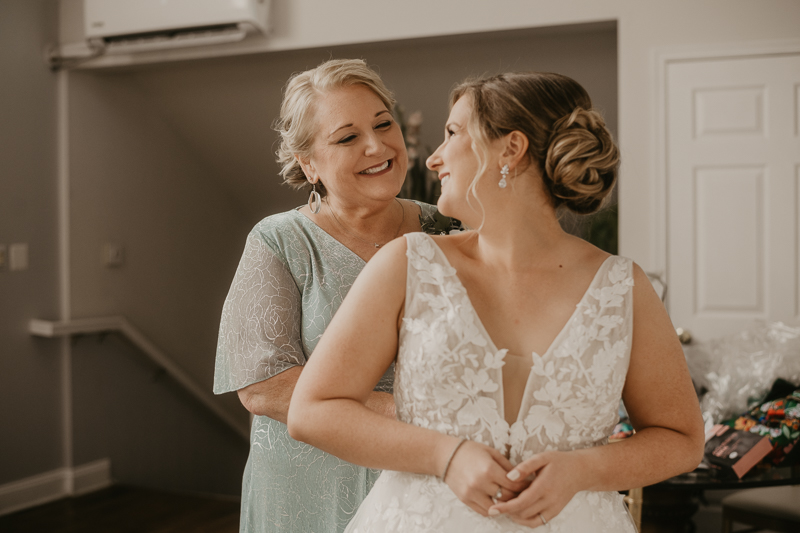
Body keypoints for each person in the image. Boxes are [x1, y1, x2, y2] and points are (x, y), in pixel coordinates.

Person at [287, 72, 705, 531]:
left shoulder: (622, 286)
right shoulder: (407, 265)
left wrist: (585, 469)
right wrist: (445, 455)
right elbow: (313, 410)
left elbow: (682, 438)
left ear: (511, 148)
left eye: (452, 133)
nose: (434, 159)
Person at [213, 58, 452, 533]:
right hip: (309, 489)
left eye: (385, 124)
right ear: (308, 163)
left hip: (426, 487)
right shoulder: (279, 241)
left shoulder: (447, 231)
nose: (377, 145)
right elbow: (264, 387)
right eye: (347, 137)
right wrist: (414, 414)